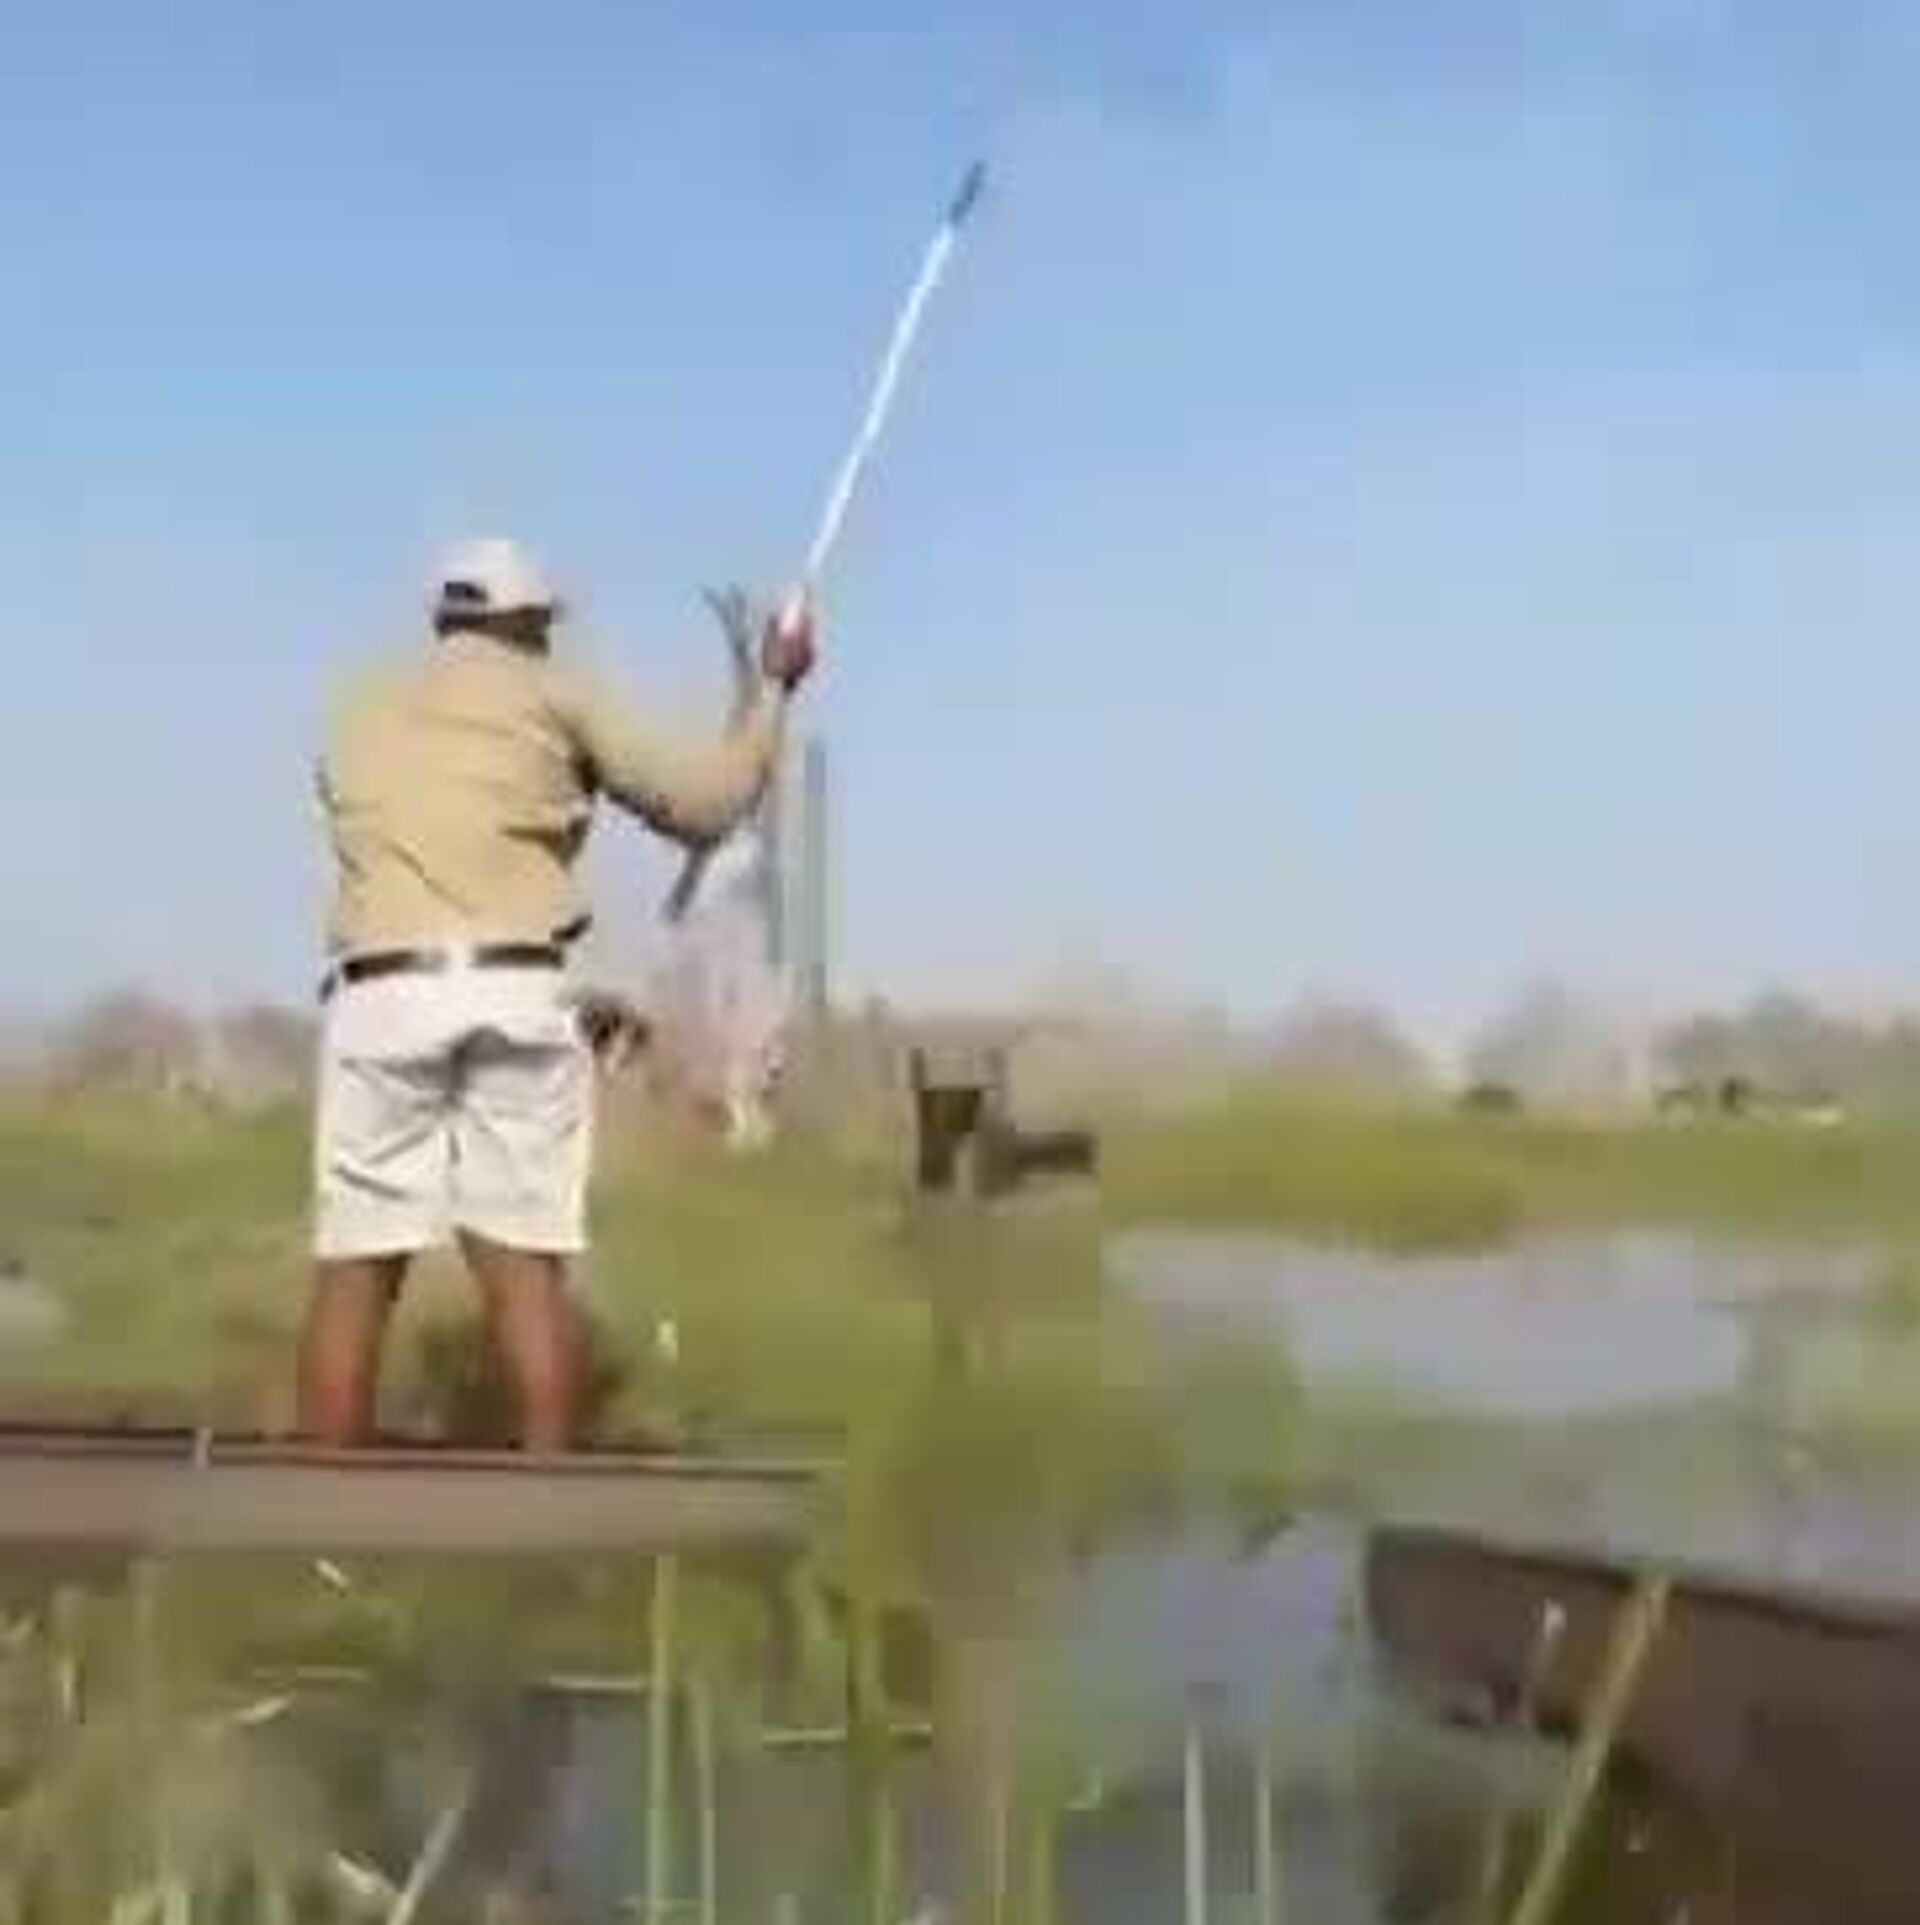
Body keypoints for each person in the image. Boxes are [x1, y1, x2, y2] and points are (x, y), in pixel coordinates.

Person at [298, 537, 816, 1449]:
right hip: (514, 988)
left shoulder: (361, 707)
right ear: (531, 622)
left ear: (445, 619)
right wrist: (774, 689)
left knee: (357, 1268)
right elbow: (705, 804)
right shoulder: (555, 690)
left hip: (380, 993)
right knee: (523, 1270)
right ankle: (548, 1503)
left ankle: (314, 1513)